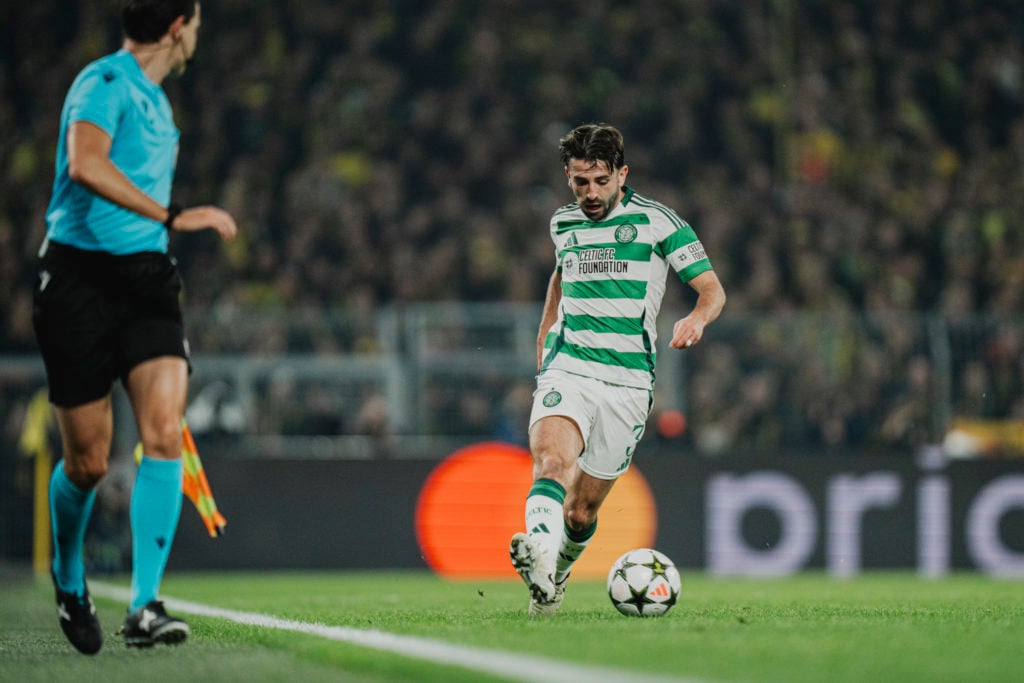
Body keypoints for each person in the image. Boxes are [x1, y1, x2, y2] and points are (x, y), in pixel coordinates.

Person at [32, 0, 238, 654]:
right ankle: (70, 574)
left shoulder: (156, 102)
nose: (198, 35)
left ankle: (145, 603)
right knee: (88, 462)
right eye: (197, 23)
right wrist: (170, 212)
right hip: (78, 282)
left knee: (161, 428)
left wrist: (160, 229)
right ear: (178, 28)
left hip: (146, 280)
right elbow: (86, 163)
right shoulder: (105, 83)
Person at [509, 123, 726, 616]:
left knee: (581, 512)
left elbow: (712, 290)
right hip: (570, 367)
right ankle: (539, 557)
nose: (590, 193)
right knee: (551, 463)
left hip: (628, 384)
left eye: (601, 182)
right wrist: (545, 332)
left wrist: (695, 318)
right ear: (568, 176)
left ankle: (554, 579)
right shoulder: (562, 223)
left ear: (621, 174)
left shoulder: (658, 222)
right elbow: (561, 275)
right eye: (580, 182)